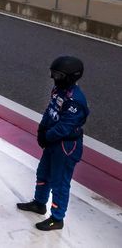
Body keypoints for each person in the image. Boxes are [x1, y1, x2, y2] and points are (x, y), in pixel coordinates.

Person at [17, 56, 89, 231]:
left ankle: (57, 218)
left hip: (66, 146)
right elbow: (50, 111)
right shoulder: (58, 90)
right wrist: (41, 130)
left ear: (71, 76)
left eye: (58, 75)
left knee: (60, 182)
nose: (54, 78)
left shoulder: (75, 101)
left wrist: (47, 136)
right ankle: (39, 203)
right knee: (43, 173)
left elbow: (64, 127)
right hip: (53, 142)